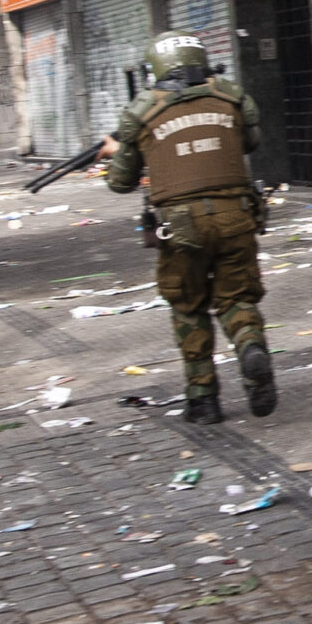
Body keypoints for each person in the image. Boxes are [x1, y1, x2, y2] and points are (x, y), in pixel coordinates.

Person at [99, 32, 277, 424]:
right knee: (237, 300)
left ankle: (203, 399)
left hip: (180, 226)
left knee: (188, 305)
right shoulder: (230, 97)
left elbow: (120, 182)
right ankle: (249, 347)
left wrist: (116, 152)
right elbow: (251, 140)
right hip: (237, 215)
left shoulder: (141, 112)